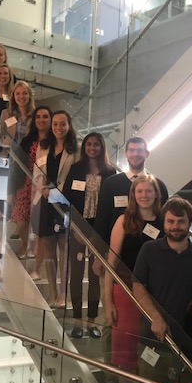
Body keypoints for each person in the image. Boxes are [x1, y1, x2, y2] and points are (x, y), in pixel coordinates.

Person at [132, 197, 192, 383]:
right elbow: (138, 287)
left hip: (186, 348)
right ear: (164, 223)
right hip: (152, 342)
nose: (175, 226)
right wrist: (155, 317)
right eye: (171, 221)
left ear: (189, 223)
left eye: (181, 221)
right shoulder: (149, 250)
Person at [105, 175, 163, 383]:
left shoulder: (164, 222)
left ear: (156, 194)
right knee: (125, 353)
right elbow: (111, 263)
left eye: (148, 191)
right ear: (133, 195)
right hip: (126, 293)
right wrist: (107, 301)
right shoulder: (123, 221)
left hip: (156, 296)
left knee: (151, 351)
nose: (144, 196)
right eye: (140, 191)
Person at [62, 132, 116, 338]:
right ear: (84, 147)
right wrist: (75, 227)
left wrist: (101, 234)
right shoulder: (76, 169)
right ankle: (77, 321)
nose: (92, 148)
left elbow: (110, 205)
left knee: (95, 276)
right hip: (77, 229)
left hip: (99, 231)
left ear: (102, 147)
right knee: (76, 275)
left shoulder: (110, 172)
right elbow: (66, 198)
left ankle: (92, 322)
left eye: (96, 145)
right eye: (89, 144)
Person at [92, 137, 169, 275]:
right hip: (113, 255)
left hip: (153, 261)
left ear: (146, 153)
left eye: (140, 150)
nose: (135, 154)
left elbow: (165, 219)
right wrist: (98, 255)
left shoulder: (159, 186)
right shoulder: (111, 184)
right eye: (132, 150)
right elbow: (102, 220)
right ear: (125, 154)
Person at [32, 110, 79, 307]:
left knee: (64, 249)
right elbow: (36, 171)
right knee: (48, 249)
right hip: (44, 201)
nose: (59, 128)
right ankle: (52, 293)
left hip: (64, 202)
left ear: (69, 126)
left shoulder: (75, 149)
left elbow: (76, 176)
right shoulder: (44, 146)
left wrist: (58, 192)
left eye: (63, 124)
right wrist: (42, 189)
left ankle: (63, 294)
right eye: (55, 124)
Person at [7, 105, 50, 264]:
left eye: (45, 117)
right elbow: (16, 165)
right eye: (38, 117)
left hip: (42, 185)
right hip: (24, 183)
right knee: (21, 217)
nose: (41, 120)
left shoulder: (53, 142)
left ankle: (35, 252)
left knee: (38, 221)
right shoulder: (27, 140)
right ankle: (25, 245)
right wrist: (11, 189)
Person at [0, 80, 35, 151]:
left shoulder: (35, 115)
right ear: (13, 96)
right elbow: (0, 134)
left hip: (27, 155)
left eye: (25, 93)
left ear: (29, 96)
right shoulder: (5, 114)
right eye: (18, 93)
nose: (21, 96)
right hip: (8, 154)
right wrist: (4, 141)